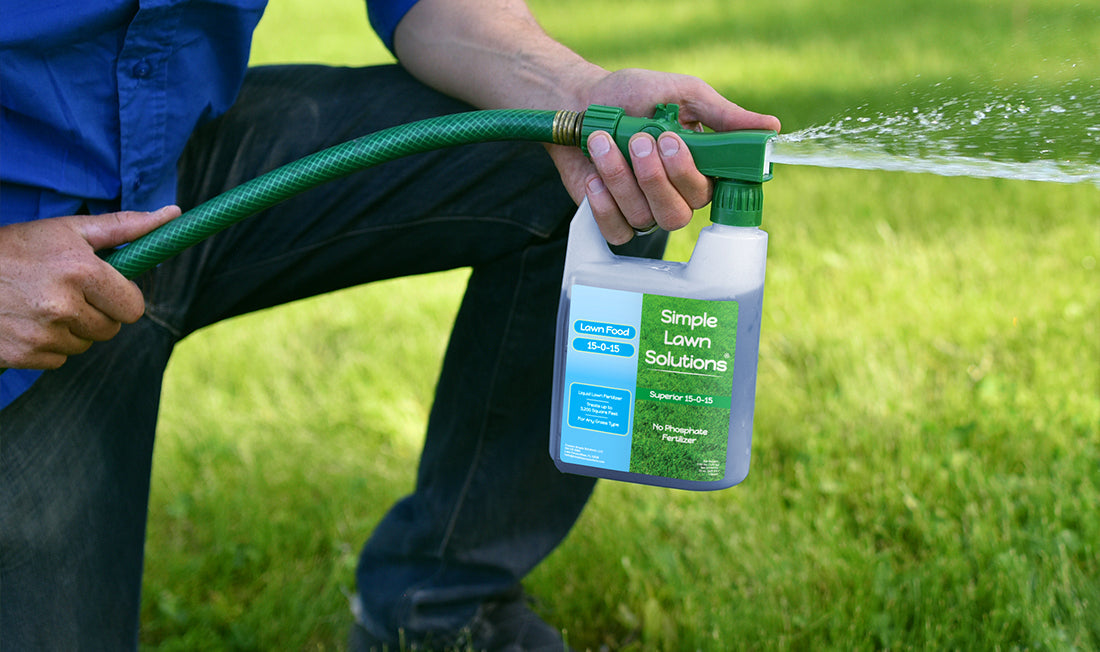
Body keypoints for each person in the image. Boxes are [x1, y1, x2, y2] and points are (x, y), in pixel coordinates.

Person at [0, 0, 780, 648]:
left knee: (594, 179)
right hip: (17, 259)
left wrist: (581, 95)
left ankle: (437, 606)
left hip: (169, 171)